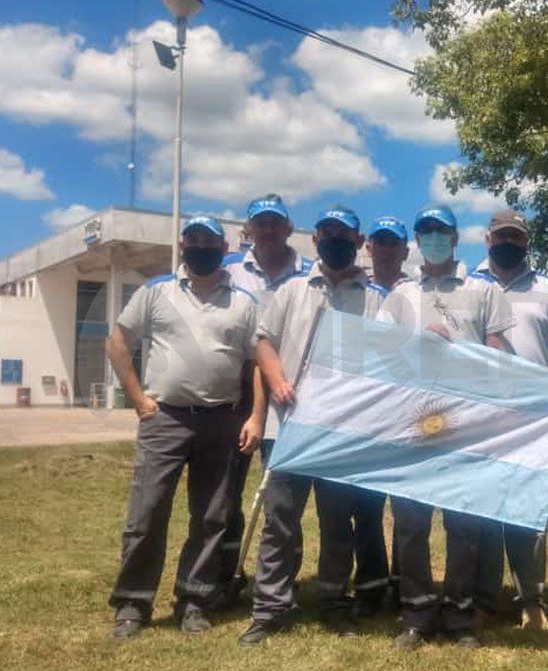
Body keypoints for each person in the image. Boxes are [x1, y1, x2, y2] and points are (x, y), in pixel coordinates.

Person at [106, 216, 264, 639]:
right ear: (182, 244)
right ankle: (132, 604)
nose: (200, 246)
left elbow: (255, 365)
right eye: (193, 239)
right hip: (166, 419)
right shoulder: (156, 291)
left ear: (223, 244)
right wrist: (139, 399)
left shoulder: (244, 302)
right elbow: (119, 342)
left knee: (212, 517)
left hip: (221, 420)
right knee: (148, 513)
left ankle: (195, 600)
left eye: (209, 240)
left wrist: (254, 416)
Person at [239, 206, 389, 644]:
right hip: (287, 429)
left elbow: (395, 358)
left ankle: (332, 602)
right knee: (280, 520)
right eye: (326, 233)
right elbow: (264, 342)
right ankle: (270, 608)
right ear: (315, 240)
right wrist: (278, 380)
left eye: (342, 234)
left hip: (341, 432)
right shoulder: (290, 290)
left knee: (337, 522)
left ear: (358, 241)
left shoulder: (377, 297)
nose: (333, 240)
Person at [376, 205, 514, 650]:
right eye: (425, 231)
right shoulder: (399, 295)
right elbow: (382, 356)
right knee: (411, 521)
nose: (433, 237)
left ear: (456, 238)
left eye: (441, 231)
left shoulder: (483, 290)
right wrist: (417, 345)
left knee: (463, 522)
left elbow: (497, 355)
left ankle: (459, 614)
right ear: (417, 239)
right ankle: (416, 612)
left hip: (466, 421)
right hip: (412, 421)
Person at [471, 209, 548, 630]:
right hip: (477, 414)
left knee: (528, 510)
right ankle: (484, 597)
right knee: (479, 508)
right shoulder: (466, 284)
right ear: (488, 239)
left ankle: (532, 598)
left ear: (526, 242)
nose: (509, 243)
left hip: (532, 421)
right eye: (502, 236)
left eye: (517, 237)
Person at [218, 193, 311, 605]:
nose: (268, 230)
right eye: (261, 223)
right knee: (222, 495)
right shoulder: (228, 271)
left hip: (284, 391)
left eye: (276, 222)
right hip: (228, 389)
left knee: (281, 495)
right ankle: (222, 577)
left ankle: (281, 584)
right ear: (248, 228)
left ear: (289, 228)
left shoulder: (308, 275)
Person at [351, 215, 412, 616]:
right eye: (380, 241)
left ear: (406, 250)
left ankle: (406, 586)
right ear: (368, 247)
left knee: (409, 510)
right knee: (366, 508)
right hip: (367, 416)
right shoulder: (354, 291)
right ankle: (371, 586)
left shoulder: (419, 292)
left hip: (410, 416)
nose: (387, 248)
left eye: (395, 242)